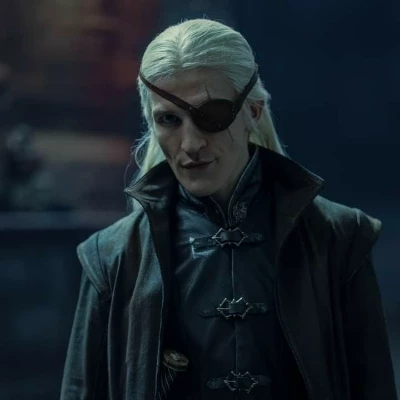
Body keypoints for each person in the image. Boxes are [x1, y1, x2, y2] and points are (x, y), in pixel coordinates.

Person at [60, 19, 398, 400]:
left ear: (253, 111)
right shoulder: (112, 258)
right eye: (169, 119)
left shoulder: (338, 239)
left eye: (212, 114)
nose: (191, 144)